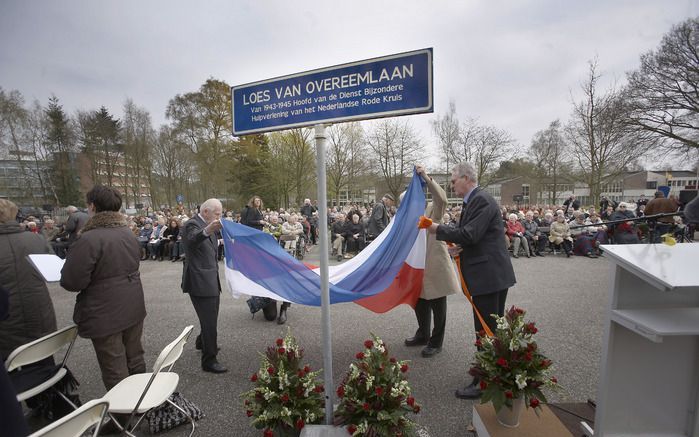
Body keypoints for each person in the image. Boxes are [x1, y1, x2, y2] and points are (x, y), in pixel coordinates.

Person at [425, 162, 516, 399]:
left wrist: (436, 228)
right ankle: (493, 373)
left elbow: (470, 233)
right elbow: (475, 237)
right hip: (490, 274)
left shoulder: (481, 200)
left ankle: (483, 382)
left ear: (466, 178)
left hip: (489, 276)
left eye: (454, 181)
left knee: (485, 329)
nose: (452, 185)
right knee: (490, 328)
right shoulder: (475, 201)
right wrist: (461, 248)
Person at [60, 186, 147, 390]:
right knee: (134, 358)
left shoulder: (89, 238)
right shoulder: (127, 232)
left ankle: (125, 418)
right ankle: (142, 406)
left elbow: (72, 282)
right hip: (132, 303)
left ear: (92, 206)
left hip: (104, 311)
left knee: (114, 367)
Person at [404, 166, 460, 358]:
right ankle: (423, 334)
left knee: (437, 304)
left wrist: (426, 177)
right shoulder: (405, 218)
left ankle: (436, 342)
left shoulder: (431, 210)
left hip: (435, 264)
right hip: (417, 266)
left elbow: (442, 198)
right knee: (419, 303)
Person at [0, 199, 57, 360]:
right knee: (42, 357)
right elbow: (52, 268)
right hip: (38, 310)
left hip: (6, 321)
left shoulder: (35, 238)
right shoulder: (35, 239)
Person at [181, 198, 227, 373]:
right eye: (217, 214)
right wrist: (209, 230)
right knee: (209, 320)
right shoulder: (192, 224)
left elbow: (209, 245)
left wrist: (221, 240)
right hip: (200, 281)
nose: (219, 217)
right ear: (206, 211)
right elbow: (193, 240)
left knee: (210, 317)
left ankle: (203, 341)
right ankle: (209, 360)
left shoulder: (209, 224)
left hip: (209, 278)